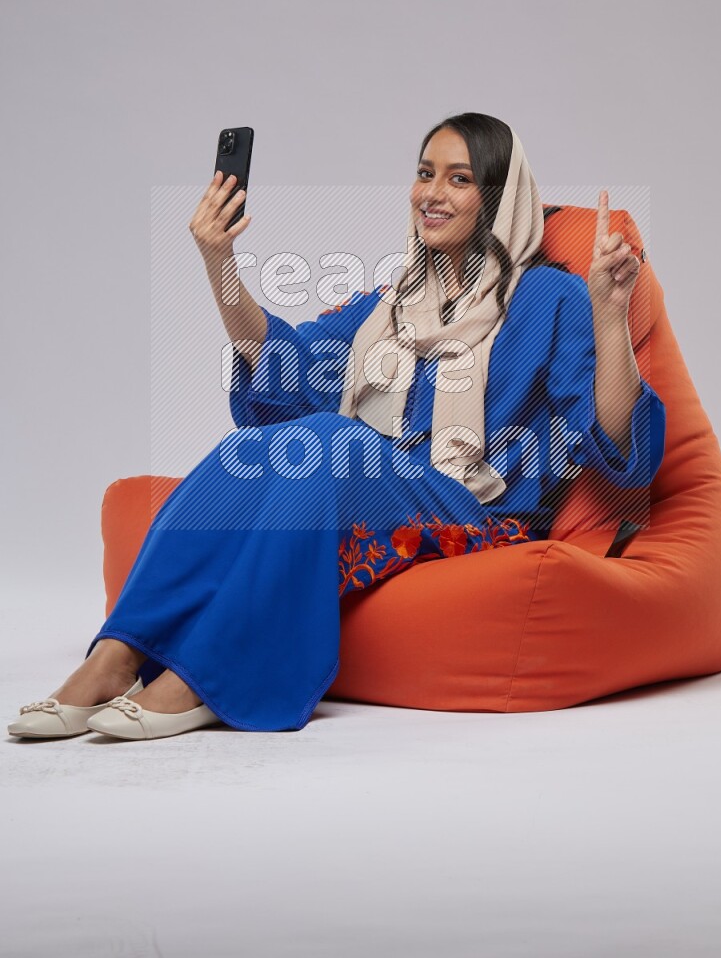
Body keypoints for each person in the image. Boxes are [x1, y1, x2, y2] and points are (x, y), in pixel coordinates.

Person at [8, 112, 666, 742]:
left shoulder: (550, 298)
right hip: (380, 481)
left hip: (481, 513)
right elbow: (285, 368)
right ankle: (116, 656)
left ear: (497, 197)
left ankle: (205, 677)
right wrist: (221, 265)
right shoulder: (393, 302)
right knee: (251, 448)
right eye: (424, 172)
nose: (431, 193)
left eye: (459, 178)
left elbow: (615, 447)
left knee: (332, 441)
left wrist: (610, 316)